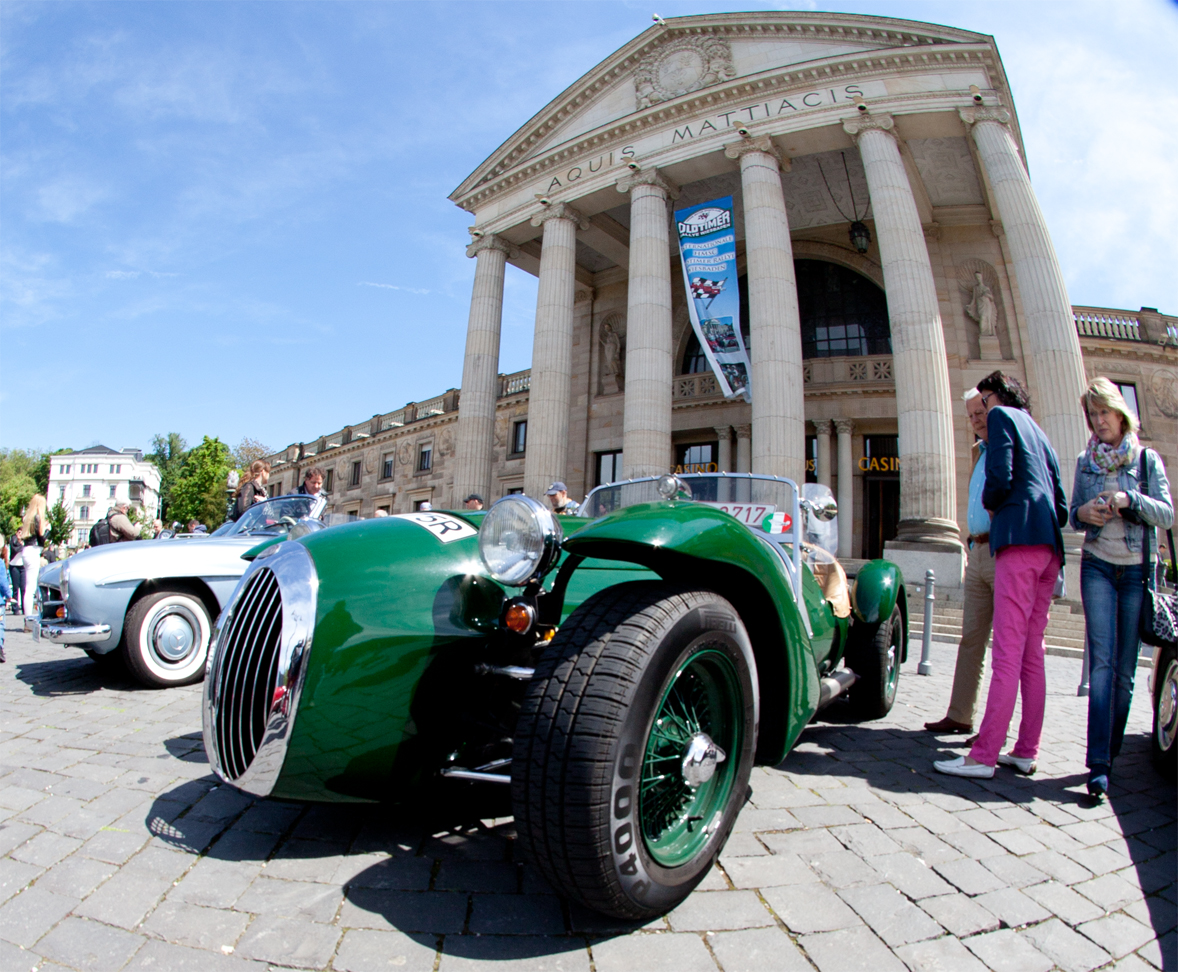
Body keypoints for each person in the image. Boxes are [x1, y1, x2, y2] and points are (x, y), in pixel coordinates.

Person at [935, 372, 1066, 779]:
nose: (983, 408)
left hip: (1017, 543)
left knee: (1007, 652)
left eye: (985, 399)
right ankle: (1026, 750)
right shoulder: (1041, 434)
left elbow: (1000, 475)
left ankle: (984, 754)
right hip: (1049, 547)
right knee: (1032, 653)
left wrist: (994, 504)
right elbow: (1060, 502)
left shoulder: (1002, 418)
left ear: (997, 396)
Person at [1071, 377, 1172, 799]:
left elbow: (1165, 514)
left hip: (1135, 572)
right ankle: (1097, 763)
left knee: (1126, 673)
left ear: (1120, 412)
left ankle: (1110, 753)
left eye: (1104, 413)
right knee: (1101, 667)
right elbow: (1074, 516)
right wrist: (1085, 512)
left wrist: (1130, 500)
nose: (1098, 422)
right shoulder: (1085, 460)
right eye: (1092, 415)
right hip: (1097, 566)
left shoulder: (1147, 460)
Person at [925, 389, 996, 735]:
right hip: (978, 551)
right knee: (971, 637)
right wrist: (969, 541)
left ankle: (997, 729)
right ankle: (960, 713)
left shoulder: (1007, 446)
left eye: (980, 412)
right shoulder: (976, 452)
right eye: (970, 415)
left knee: (1010, 646)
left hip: (1003, 551)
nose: (975, 419)